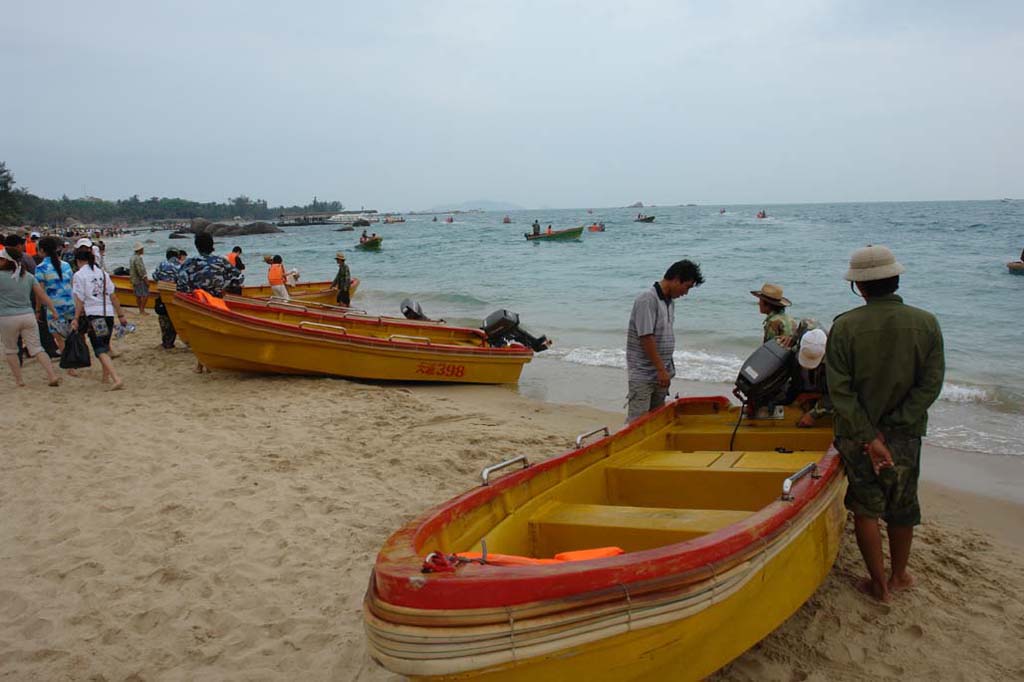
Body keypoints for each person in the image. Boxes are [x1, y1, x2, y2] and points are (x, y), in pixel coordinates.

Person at [826, 244, 944, 603]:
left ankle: (878, 584)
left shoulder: (844, 326)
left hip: (857, 436)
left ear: (859, 287)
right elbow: (930, 383)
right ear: (895, 279)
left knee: (865, 507)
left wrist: (868, 435)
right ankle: (900, 575)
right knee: (902, 503)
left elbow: (840, 392)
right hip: (905, 435)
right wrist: (897, 424)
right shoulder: (926, 323)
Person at [625, 259, 705, 422]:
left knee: (655, 419)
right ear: (676, 279)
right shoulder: (647, 299)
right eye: (687, 287)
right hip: (644, 373)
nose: (686, 293)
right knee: (637, 421)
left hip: (661, 372)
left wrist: (665, 370)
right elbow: (646, 337)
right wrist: (661, 369)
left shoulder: (669, 302)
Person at [176, 233, 243, 373]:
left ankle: (202, 364)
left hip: (197, 302)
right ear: (212, 245)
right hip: (216, 301)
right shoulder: (221, 261)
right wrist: (225, 287)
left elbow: (181, 286)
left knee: (199, 333)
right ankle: (206, 363)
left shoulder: (189, 263)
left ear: (196, 246)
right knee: (215, 332)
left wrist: (191, 292)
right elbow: (239, 277)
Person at [1, 246, 61, 387]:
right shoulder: (28, 276)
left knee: (11, 350)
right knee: (37, 348)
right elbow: (42, 295)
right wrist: (53, 310)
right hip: (28, 316)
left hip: (6, 318)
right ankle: (52, 376)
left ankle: (19, 381)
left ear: (6, 261)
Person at [71, 246, 126, 390]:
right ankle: (105, 377)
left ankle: (115, 378)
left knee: (99, 349)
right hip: (107, 313)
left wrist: (76, 318)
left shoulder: (79, 275)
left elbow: (79, 300)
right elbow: (113, 296)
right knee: (105, 345)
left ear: (78, 260)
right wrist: (120, 315)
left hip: (95, 315)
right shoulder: (102, 273)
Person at [33, 237, 77, 355]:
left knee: (59, 337)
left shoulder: (40, 268)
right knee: (70, 333)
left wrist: (37, 310)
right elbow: (72, 285)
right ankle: (76, 356)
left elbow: (40, 293)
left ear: (42, 250)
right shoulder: (66, 265)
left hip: (53, 306)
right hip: (70, 302)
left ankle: (69, 365)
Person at [785, 328, 832, 428]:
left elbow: (840, 395)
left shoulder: (837, 363)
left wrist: (814, 414)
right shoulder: (795, 349)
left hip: (824, 397)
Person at [152, 247, 183, 349]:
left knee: (164, 320)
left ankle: (167, 342)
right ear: (177, 255)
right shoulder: (181, 265)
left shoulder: (162, 264)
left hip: (164, 296)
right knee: (176, 319)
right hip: (177, 297)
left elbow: (155, 277)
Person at [128, 242, 149, 314]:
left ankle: (140, 309)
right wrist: (145, 280)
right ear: (139, 249)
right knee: (145, 295)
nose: (143, 250)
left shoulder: (132, 258)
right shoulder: (138, 258)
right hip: (139, 280)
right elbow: (141, 271)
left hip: (134, 279)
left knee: (138, 295)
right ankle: (142, 310)